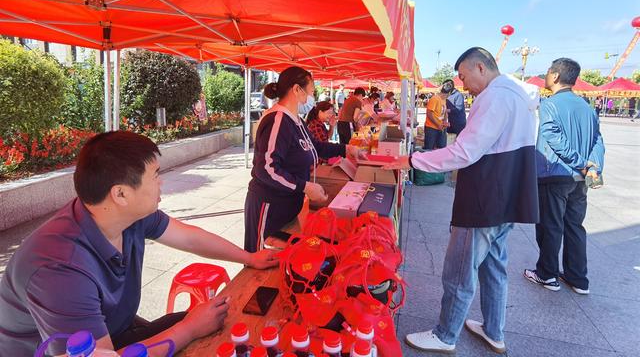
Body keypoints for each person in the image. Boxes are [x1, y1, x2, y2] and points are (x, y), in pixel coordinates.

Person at [0, 131, 279, 356]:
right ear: (120, 194)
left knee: (225, 325)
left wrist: (249, 258)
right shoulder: (60, 269)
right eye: (155, 175)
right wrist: (189, 329)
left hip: (115, 331)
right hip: (81, 351)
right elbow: (99, 354)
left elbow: (188, 236)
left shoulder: (127, 216)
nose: (162, 183)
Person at [388, 47, 539, 354]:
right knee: (494, 265)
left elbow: (464, 151)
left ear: (480, 67)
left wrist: (414, 161)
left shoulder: (495, 97)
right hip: (508, 194)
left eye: (463, 75)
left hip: (485, 195)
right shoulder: (520, 94)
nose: (461, 83)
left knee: (460, 269)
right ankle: (494, 330)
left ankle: (446, 334)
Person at [245, 67, 364, 253]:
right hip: (270, 206)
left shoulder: (297, 121)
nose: (312, 96)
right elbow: (267, 169)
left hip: (290, 205)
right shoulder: (277, 120)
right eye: (311, 91)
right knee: (259, 261)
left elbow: (315, 146)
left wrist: (346, 149)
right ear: (296, 90)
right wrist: (305, 186)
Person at [524, 58, 605, 295]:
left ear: (556, 76)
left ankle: (547, 274)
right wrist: (593, 167)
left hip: (555, 173)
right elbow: (598, 140)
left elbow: (552, 136)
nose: (546, 76)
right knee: (574, 226)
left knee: (550, 225)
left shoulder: (550, 104)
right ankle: (578, 278)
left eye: (548, 72)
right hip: (580, 179)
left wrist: (579, 163)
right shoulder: (587, 107)